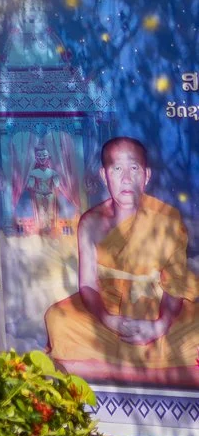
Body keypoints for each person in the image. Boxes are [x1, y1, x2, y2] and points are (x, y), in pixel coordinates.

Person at [44, 137, 199, 380]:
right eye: (117, 169)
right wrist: (107, 319)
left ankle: (110, 368)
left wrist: (160, 325)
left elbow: (176, 287)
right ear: (104, 176)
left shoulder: (167, 218)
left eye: (134, 168)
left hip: (157, 303)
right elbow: (87, 284)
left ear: (146, 176)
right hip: (109, 306)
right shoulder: (91, 221)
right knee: (57, 318)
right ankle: (156, 369)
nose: (126, 179)